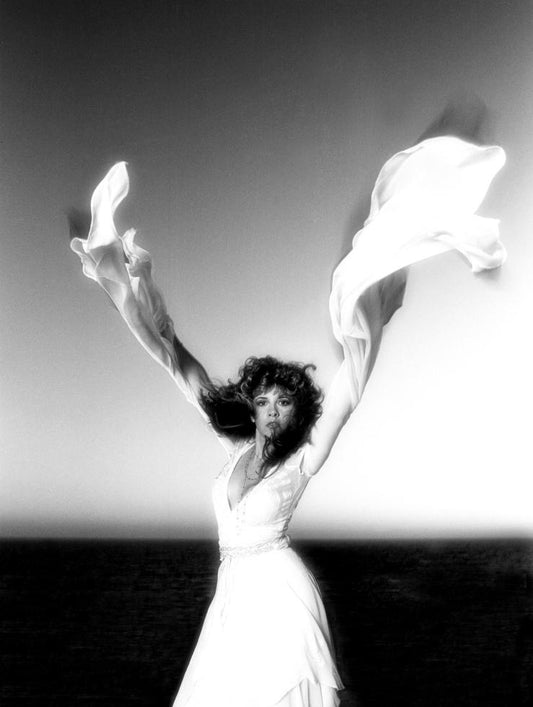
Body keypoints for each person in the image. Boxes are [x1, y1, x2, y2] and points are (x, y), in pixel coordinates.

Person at [70, 134, 506, 707]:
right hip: (232, 601)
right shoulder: (233, 445)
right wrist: (133, 292)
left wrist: (363, 320)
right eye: (266, 400)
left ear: (298, 412)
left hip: (281, 599)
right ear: (251, 404)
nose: (274, 411)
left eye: (286, 402)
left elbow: (349, 391)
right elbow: (178, 362)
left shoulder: (304, 459)